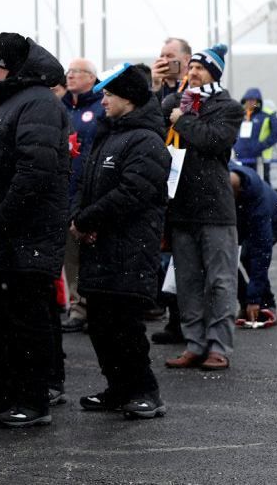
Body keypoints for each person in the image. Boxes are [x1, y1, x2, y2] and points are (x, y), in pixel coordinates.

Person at [0, 33, 69, 428]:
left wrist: (2, 214)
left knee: (27, 323)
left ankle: (33, 400)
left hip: (25, 236)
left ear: (15, 68)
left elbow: (34, 170)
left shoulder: (38, 102)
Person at [71, 64, 171, 418]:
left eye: (110, 95)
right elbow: (87, 184)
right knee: (100, 325)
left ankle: (145, 391)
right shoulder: (107, 135)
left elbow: (133, 192)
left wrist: (88, 219)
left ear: (128, 99)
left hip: (130, 249)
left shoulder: (145, 140)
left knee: (126, 326)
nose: (104, 101)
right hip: (100, 246)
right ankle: (118, 387)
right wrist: (79, 218)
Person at [161, 44, 243, 371]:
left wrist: (182, 120)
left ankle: (219, 347)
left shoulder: (230, 108)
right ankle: (194, 343)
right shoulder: (177, 103)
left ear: (215, 73)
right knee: (188, 281)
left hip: (216, 210)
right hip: (181, 208)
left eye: (200, 68)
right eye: (191, 67)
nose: (192, 72)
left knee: (221, 282)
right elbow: (161, 113)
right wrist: (172, 97)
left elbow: (213, 140)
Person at [61, 58, 104, 333]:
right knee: (70, 255)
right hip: (65, 190)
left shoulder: (100, 108)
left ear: (91, 77)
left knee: (92, 252)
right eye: (69, 72)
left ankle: (93, 306)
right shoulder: (62, 108)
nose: (70, 76)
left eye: (77, 72)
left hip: (90, 191)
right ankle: (77, 306)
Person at [229, 162, 277, 327]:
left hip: (276, 219)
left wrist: (254, 299)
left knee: (249, 255)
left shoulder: (256, 197)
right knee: (227, 259)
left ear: (237, 192)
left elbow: (261, 250)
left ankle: (266, 304)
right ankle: (247, 302)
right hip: (242, 218)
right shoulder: (225, 172)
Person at [234, 88, 277, 183]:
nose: (250, 103)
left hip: (260, 159)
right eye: (247, 100)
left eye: (253, 100)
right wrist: (236, 147)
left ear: (258, 101)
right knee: (244, 186)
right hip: (242, 158)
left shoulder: (267, 114)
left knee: (261, 185)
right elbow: (233, 132)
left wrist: (260, 146)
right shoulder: (241, 114)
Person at [150, 37, 193, 102]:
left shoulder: (195, 85)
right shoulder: (155, 85)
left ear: (186, 60)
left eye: (169, 56)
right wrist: (156, 86)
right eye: (162, 56)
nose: (164, 60)